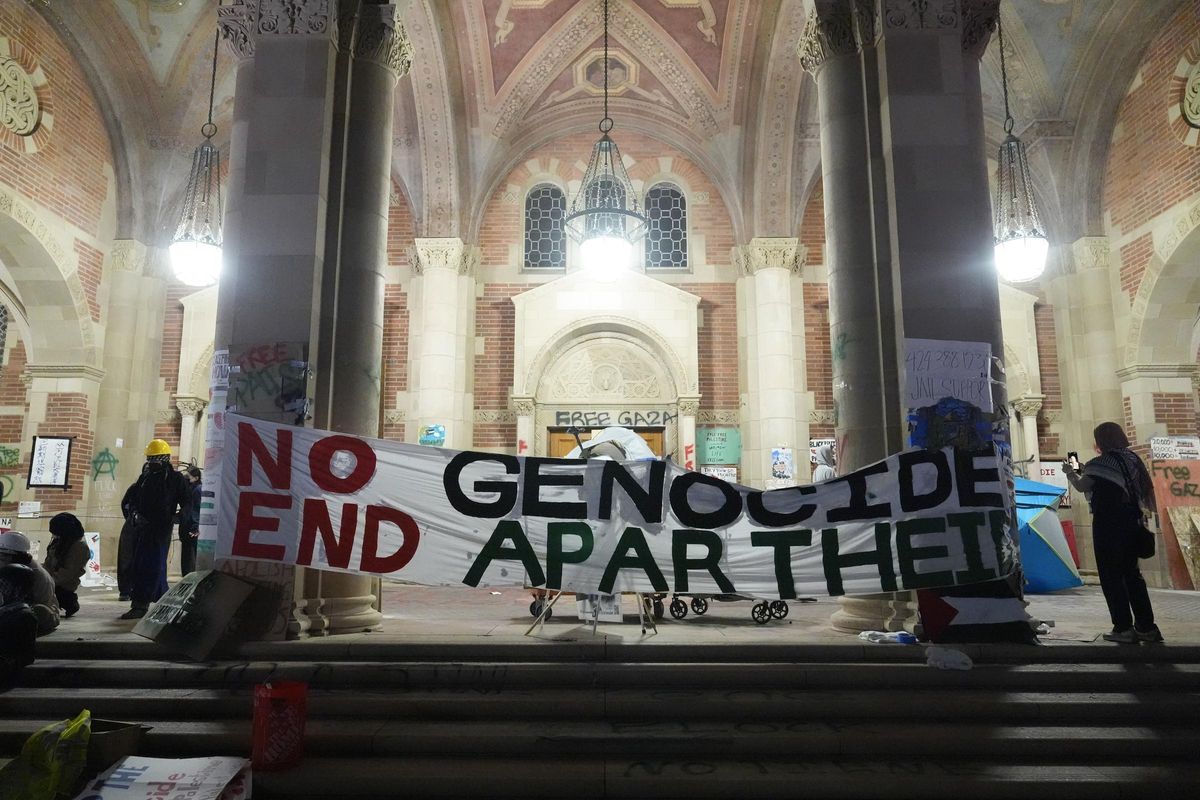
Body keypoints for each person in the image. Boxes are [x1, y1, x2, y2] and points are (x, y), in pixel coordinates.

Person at [1062, 422, 1162, 644]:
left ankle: (1123, 627)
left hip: (1109, 525)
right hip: (1133, 523)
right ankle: (1147, 627)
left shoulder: (1101, 463)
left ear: (1102, 440)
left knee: (1111, 576)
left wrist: (1071, 472)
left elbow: (1083, 486)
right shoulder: (1133, 459)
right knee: (1133, 575)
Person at [119, 439, 190, 620]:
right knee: (142, 564)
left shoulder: (175, 479)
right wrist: (134, 516)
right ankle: (160, 599)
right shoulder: (145, 478)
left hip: (160, 529)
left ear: (165, 458)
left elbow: (187, 503)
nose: (152, 463)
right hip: (143, 528)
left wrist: (177, 519)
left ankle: (140, 604)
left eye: (156, 459)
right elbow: (132, 500)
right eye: (150, 459)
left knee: (151, 565)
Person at [0, 531, 60, 635]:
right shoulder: (13, 567)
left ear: (11, 556)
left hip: (37, 611)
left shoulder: (31, 574)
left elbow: (22, 603)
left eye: (2, 556)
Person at [0, 563, 39, 692]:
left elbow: (26, 655)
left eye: (4, 585)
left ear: (17, 589)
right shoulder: (8, 610)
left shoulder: (24, 615)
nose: (1, 589)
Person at [43, 512, 89, 618]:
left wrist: (47, 582)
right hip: (52, 579)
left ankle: (69, 602)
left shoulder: (79, 548)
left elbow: (68, 573)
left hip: (62, 585)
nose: (54, 536)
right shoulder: (58, 543)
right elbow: (48, 564)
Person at [178, 465, 202, 576]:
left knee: (190, 558)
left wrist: (195, 526)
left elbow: (196, 509)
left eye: (189, 476)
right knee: (186, 557)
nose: (186, 479)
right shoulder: (188, 490)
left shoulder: (197, 490)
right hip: (186, 527)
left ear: (196, 478)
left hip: (191, 528)